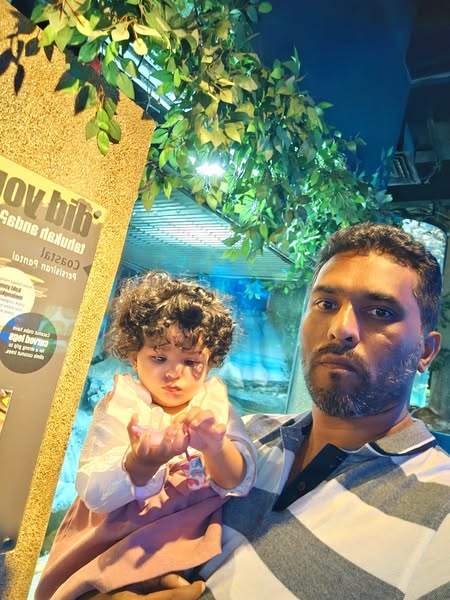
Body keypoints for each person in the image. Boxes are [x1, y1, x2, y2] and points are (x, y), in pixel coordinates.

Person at [87, 221, 450, 600]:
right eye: (326, 304)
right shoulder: (248, 435)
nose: (341, 328)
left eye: (380, 311)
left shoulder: (441, 517)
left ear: (425, 351)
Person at [35, 271, 257, 600]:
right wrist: (139, 464)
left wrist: (215, 447)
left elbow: (239, 481)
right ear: (134, 357)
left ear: (211, 361)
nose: (174, 372)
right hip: (113, 534)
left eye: (191, 361)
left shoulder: (214, 409)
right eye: (159, 357)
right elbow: (94, 491)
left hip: (183, 535)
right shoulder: (124, 405)